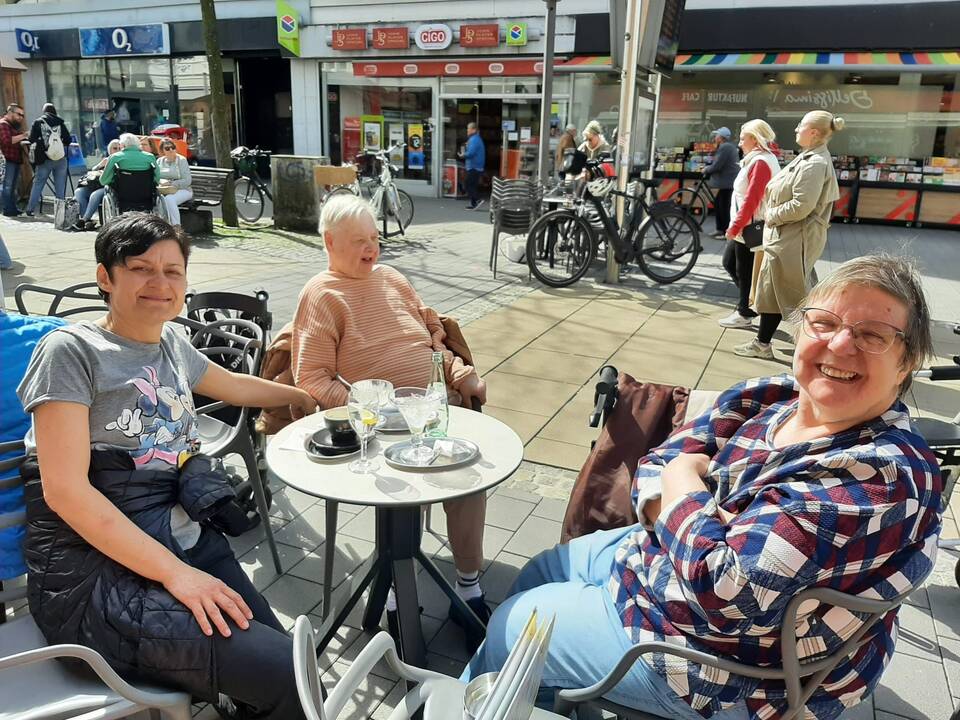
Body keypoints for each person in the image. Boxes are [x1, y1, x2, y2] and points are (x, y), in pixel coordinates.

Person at [464, 253, 941, 720]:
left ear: (906, 364)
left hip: (721, 666)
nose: (838, 346)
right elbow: (658, 460)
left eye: (872, 336)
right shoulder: (776, 397)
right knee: (541, 571)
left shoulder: (883, 475)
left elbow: (725, 590)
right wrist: (699, 516)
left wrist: (682, 485)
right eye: (823, 323)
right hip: (654, 569)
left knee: (510, 632)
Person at [16, 213, 317, 719]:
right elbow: (65, 491)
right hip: (99, 574)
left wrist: (301, 397)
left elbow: (230, 384)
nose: (160, 284)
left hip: (182, 543)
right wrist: (178, 575)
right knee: (285, 675)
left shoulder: (170, 341)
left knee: (293, 667)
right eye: (141, 268)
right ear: (105, 277)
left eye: (173, 271)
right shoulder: (72, 351)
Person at [290, 194, 490, 650]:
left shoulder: (393, 278)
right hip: (379, 431)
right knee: (406, 489)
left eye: (375, 238)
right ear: (329, 242)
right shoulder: (322, 294)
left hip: (436, 407)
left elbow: (434, 337)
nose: (372, 249)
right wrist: (370, 414)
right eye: (360, 241)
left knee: (469, 478)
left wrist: (461, 372)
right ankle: (400, 594)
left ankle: (468, 585)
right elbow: (313, 377)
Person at [735, 111, 844, 359]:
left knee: (794, 296)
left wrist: (770, 215)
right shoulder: (808, 157)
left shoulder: (815, 163)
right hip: (786, 238)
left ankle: (818, 349)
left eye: (800, 126)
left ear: (814, 133)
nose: (796, 129)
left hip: (795, 238)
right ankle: (763, 343)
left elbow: (801, 206)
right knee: (773, 292)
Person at [718, 120, 780, 328]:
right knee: (733, 264)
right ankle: (750, 305)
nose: (740, 142)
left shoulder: (761, 162)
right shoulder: (759, 159)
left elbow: (752, 198)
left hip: (749, 227)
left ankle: (746, 311)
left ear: (754, 139)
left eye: (743, 138)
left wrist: (735, 226)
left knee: (743, 269)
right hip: (748, 225)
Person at [25, 103, 71, 217]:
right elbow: (68, 140)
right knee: (60, 187)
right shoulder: (60, 122)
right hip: (60, 159)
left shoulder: (38, 122)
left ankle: (30, 210)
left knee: (38, 184)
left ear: (44, 111)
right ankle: (60, 213)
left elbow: (32, 139)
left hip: (44, 159)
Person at [71, 138, 122, 231]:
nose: (117, 150)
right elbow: (91, 173)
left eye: (119, 148)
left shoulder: (121, 160)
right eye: (115, 148)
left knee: (95, 195)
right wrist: (100, 165)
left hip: (109, 187)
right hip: (96, 184)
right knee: (79, 192)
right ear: (109, 150)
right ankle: (87, 220)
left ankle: (83, 220)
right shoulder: (106, 160)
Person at [703, 127, 740, 239]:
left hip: (728, 183)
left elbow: (718, 165)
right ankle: (720, 230)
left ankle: (725, 232)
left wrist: (706, 169)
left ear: (721, 137)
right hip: (728, 182)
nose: (715, 137)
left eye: (717, 136)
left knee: (723, 207)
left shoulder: (725, 147)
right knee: (719, 204)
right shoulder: (728, 147)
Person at [156, 139, 193, 227]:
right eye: (167, 148)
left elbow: (187, 180)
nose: (171, 150)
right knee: (160, 200)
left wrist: (171, 183)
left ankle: (176, 227)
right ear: (162, 150)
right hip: (164, 190)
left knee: (169, 199)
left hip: (184, 190)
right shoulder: (159, 161)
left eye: (173, 147)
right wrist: (161, 181)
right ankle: (163, 226)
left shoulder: (181, 160)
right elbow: (156, 177)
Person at [0, 103, 28, 217]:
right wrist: (24, 136)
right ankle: (7, 210)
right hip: (7, 160)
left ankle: (12, 208)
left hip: (14, 159)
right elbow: (7, 141)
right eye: (18, 114)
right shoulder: (3, 124)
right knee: (8, 186)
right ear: (10, 112)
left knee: (12, 187)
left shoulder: (11, 126)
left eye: (22, 115)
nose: (21, 117)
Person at [462, 121, 486, 210]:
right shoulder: (476, 139)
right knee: (472, 185)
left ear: (474, 130)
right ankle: (473, 204)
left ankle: (478, 200)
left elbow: (471, 153)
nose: (467, 130)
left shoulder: (474, 139)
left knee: (468, 184)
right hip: (476, 166)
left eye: (469, 128)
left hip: (474, 166)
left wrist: (463, 154)